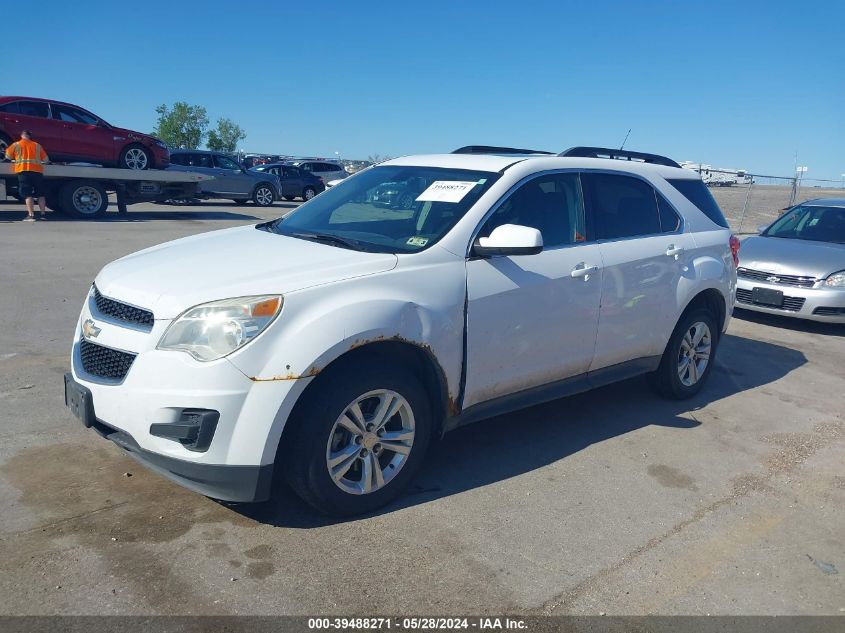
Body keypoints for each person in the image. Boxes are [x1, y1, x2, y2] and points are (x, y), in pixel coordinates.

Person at [4, 130, 49, 222]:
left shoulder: (16, 145)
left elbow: (7, 157)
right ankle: (43, 214)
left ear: (21, 136)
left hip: (23, 171)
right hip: (37, 171)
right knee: (40, 194)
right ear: (30, 136)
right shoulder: (37, 145)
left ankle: (31, 215)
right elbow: (46, 159)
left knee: (27, 194)